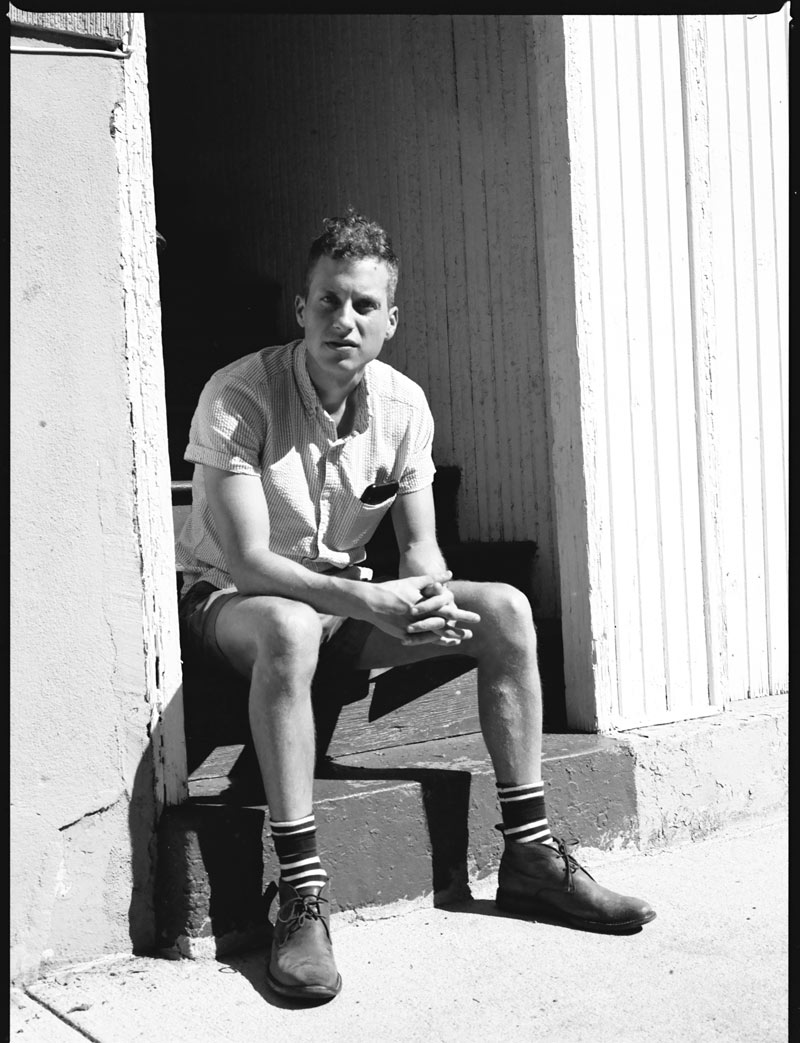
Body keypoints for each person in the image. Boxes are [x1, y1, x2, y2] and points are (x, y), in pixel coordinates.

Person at [175, 207, 655, 1003]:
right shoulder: (239, 394)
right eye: (328, 300)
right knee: (292, 623)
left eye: (364, 305)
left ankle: (530, 857)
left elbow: (422, 546)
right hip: (234, 605)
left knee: (502, 608)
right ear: (301, 308)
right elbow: (254, 564)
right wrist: (369, 598)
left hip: (347, 603)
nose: (344, 319)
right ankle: (298, 891)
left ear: (390, 320)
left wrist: (426, 595)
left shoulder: (404, 405)